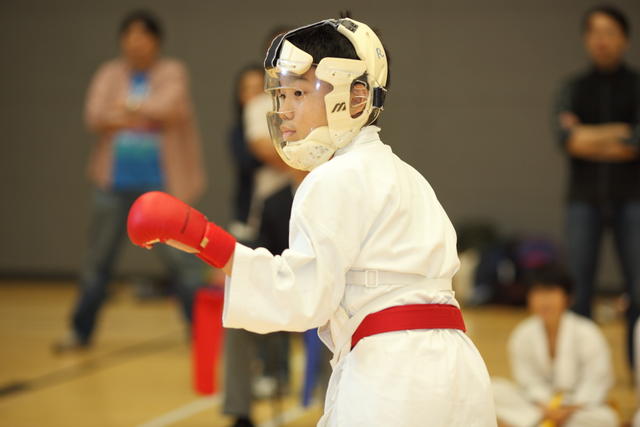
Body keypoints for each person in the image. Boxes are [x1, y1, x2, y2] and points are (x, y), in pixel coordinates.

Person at [127, 17, 496, 426]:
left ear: (355, 98)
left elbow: (303, 297)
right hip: (461, 376)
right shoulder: (409, 177)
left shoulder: (333, 178)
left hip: (392, 381)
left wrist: (206, 242)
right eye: (282, 94)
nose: (283, 110)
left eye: (299, 93)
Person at [54, 10, 206, 352]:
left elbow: (170, 107)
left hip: (162, 186)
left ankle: (201, 332)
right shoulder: (110, 73)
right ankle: (80, 332)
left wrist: (124, 110)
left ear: (156, 41)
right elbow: (94, 114)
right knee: (98, 261)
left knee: (182, 261)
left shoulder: (172, 72)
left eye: (143, 36)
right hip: (114, 185)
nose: (136, 43)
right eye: (130, 36)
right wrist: (139, 110)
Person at [553, 4, 640, 367]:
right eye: (595, 33)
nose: (601, 40)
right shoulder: (573, 89)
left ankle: (637, 370)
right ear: (587, 39)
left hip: (633, 197)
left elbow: (636, 144)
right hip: (583, 199)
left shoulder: (637, 87)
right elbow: (568, 141)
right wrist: (617, 134)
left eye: (609, 32)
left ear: (624, 38)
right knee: (579, 290)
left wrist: (591, 136)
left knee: (638, 287)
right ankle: (582, 371)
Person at [223, 64, 294, 427]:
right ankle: (239, 408)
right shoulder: (241, 131)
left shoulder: (294, 117)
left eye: (259, 87)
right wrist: (289, 157)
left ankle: (280, 372)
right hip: (250, 230)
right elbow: (259, 152)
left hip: (288, 230)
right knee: (240, 311)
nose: (254, 93)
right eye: (247, 88)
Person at [492, 264, 617, 427]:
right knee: (494, 390)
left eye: (550, 293)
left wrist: (568, 408)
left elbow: (596, 382)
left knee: (606, 419)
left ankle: (537, 423)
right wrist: (546, 407)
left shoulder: (587, 333)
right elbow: (528, 382)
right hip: (540, 406)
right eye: (538, 293)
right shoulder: (522, 335)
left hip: (576, 409)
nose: (544, 301)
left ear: (567, 298)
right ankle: (542, 421)